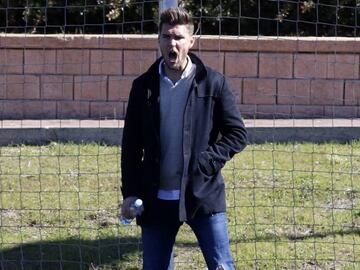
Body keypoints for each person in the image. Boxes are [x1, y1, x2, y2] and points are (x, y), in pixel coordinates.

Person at [121, 7, 247, 270]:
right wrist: (131, 192)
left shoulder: (213, 83)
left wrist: (206, 162)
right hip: (155, 198)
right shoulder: (142, 87)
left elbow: (237, 134)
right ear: (158, 40)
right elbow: (131, 147)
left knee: (222, 266)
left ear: (191, 41)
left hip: (202, 193)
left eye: (178, 37)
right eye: (166, 37)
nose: (172, 43)